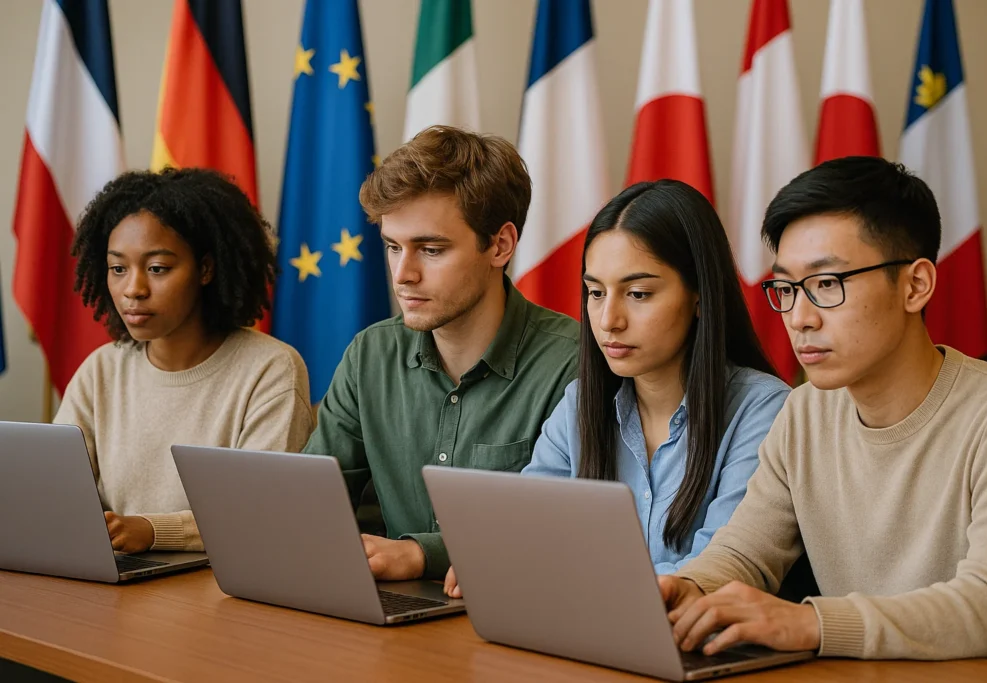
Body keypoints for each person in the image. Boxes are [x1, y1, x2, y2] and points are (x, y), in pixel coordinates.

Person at [659, 157, 987, 661]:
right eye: (786, 288)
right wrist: (690, 589)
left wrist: (812, 623)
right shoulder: (804, 413)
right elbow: (746, 551)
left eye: (827, 284)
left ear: (915, 285)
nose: (800, 318)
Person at [443, 180, 789, 598]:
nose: (608, 320)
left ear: (700, 296)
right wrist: (496, 557)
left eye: (638, 293)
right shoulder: (579, 404)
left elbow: (719, 571)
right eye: (595, 292)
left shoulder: (763, 410)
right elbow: (529, 533)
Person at [302, 126, 579, 581]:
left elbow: (565, 531)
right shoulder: (370, 353)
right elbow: (310, 501)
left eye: (431, 250)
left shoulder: (572, 365)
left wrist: (420, 554)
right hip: (391, 615)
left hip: (519, 615)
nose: (403, 274)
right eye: (393, 247)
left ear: (500, 245)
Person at [55, 168, 314, 554]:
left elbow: (259, 511)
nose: (133, 289)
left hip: (224, 585)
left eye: (157, 268)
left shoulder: (270, 369)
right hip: (118, 575)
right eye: (118, 269)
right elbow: (53, 492)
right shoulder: (101, 370)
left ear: (206, 269)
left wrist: (152, 531)